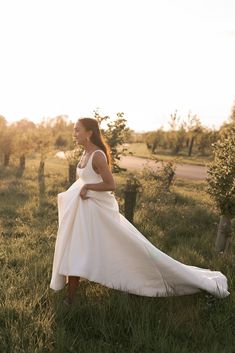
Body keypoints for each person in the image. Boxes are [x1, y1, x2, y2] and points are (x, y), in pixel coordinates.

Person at [49, 117, 230, 306]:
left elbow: (111, 184)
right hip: (84, 214)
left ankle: (165, 278)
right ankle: (70, 298)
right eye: (74, 130)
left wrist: (88, 188)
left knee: (123, 248)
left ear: (89, 132)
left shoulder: (98, 156)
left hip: (98, 215)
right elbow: (84, 180)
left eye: (77, 130)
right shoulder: (84, 154)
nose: (74, 134)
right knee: (77, 250)